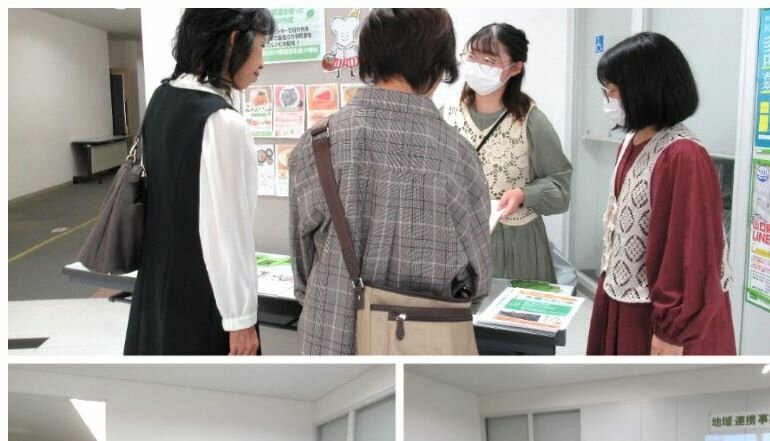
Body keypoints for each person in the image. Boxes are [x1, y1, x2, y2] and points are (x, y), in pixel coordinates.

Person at [290, 8, 493, 355]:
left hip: (331, 336)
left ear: (368, 60)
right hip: (423, 343)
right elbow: (477, 280)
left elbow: (303, 267)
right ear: (437, 69)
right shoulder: (459, 156)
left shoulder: (318, 144)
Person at [124, 9, 276, 356]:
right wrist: (240, 319)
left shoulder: (163, 97)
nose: (262, 62)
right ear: (236, 39)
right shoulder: (222, 122)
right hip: (203, 295)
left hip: (158, 284)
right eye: (262, 46)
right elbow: (226, 230)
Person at [587, 33, 736, 356]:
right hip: (624, 297)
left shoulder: (682, 155)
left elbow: (688, 254)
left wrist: (672, 331)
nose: (608, 101)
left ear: (644, 89)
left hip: (657, 316)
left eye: (613, 92)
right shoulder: (631, 142)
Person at [444, 23, 572, 283]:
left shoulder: (531, 121)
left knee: (513, 320)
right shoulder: (446, 114)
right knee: (460, 321)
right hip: (459, 242)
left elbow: (561, 189)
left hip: (517, 244)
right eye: (471, 56)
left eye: (489, 60)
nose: (476, 65)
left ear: (515, 68)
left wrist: (524, 194)